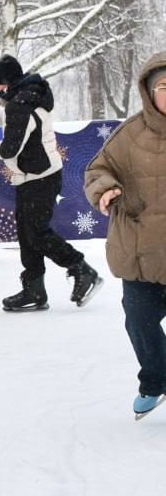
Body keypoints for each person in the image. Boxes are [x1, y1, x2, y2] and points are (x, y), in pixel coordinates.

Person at [0, 54, 102, 312]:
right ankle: (34, 289)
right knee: (27, 234)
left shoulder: (20, 105)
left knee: (36, 233)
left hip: (39, 177)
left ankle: (81, 269)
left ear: (7, 82)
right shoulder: (30, 97)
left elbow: (9, 149)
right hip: (33, 176)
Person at [83, 53, 166, 418]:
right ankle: (155, 381)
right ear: (149, 91)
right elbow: (97, 170)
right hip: (140, 251)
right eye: (164, 86)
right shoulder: (129, 135)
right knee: (139, 320)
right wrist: (105, 189)